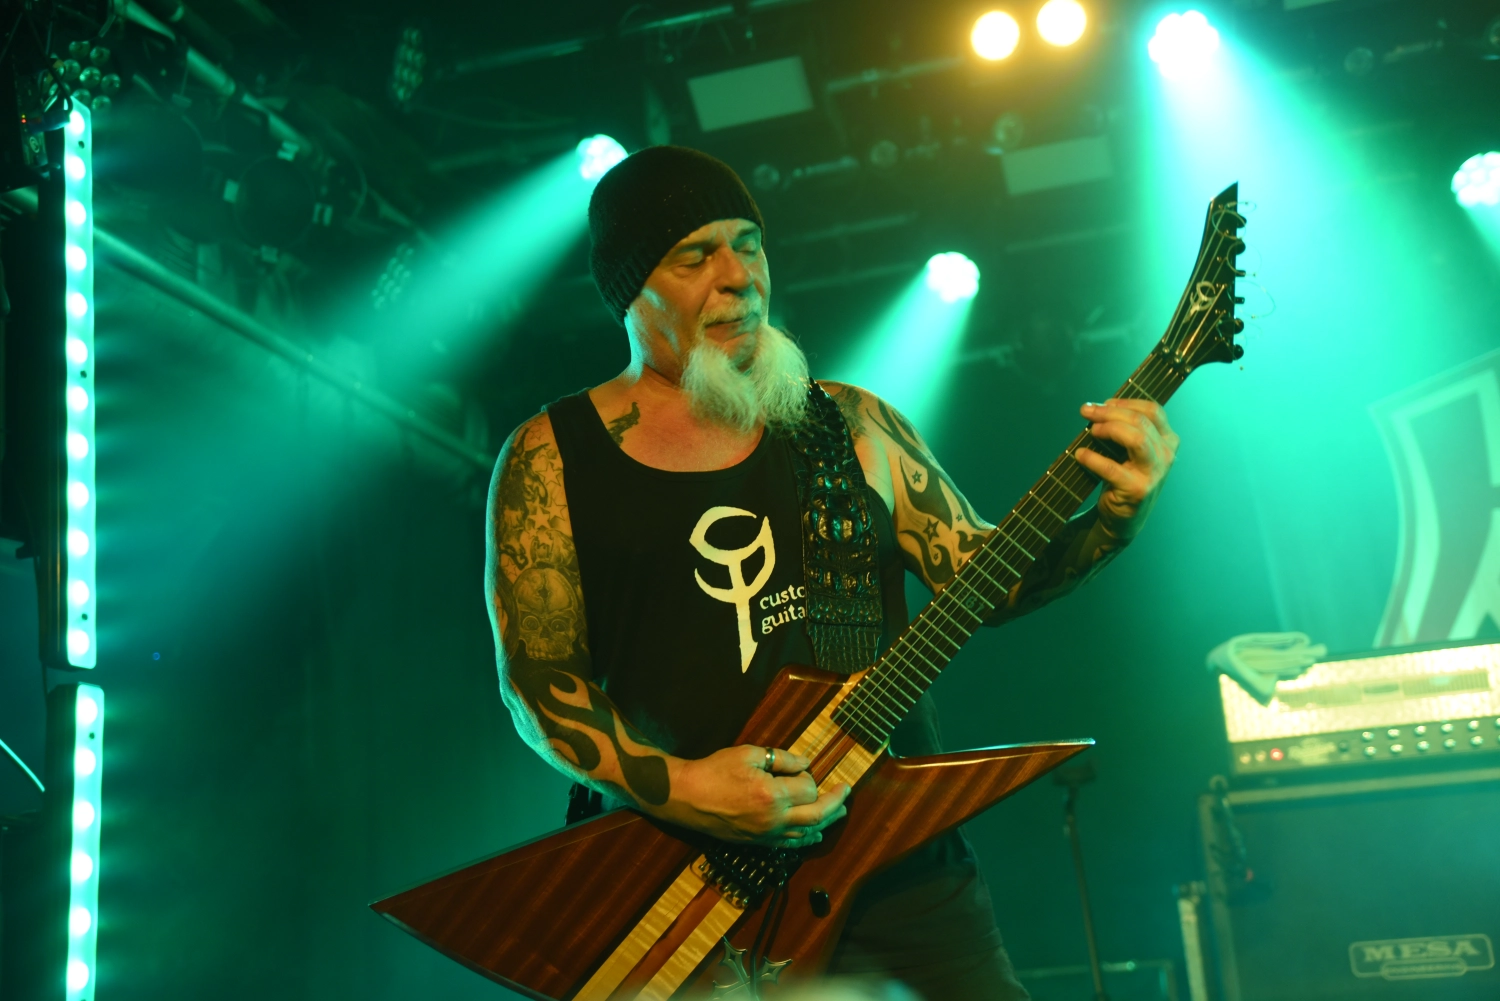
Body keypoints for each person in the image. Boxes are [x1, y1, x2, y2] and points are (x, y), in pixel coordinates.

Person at [485, 146, 1178, 1000]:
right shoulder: (553, 457)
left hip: (901, 872)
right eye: (695, 256)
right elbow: (539, 682)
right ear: (631, 289)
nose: (739, 277)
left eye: (749, 244)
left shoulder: (850, 424)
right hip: (686, 893)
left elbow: (984, 577)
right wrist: (690, 788)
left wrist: (1110, 523)